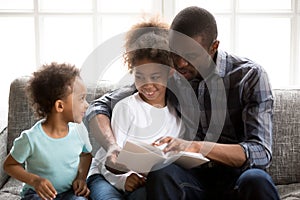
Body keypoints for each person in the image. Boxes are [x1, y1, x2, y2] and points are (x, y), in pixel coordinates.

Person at [84, 6, 280, 200]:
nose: (180, 63)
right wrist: (111, 146)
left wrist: (195, 147)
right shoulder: (172, 76)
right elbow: (99, 106)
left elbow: (261, 151)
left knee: (256, 179)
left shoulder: (249, 76)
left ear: (214, 47)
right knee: (162, 171)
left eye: (191, 56)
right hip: (194, 179)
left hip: (238, 178)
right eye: (175, 53)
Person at [86, 18, 185, 200]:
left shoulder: (177, 113)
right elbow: (113, 159)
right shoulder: (125, 107)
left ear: (169, 73)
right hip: (106, 176)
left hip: (143, 180)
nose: (147, 84)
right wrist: (124, 180)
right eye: (140, 76)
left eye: (155, 76)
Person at [3, 62, 93, 200]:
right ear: (60, 106)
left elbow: (86, 155)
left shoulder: (80, 132)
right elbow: (9, 165)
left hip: (69, 193)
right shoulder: (31, 138)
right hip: (37, 194)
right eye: (81, 99)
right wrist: (35, 180)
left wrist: (81, 178)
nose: (87, 105)